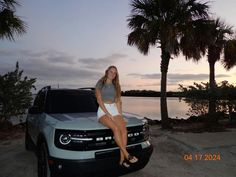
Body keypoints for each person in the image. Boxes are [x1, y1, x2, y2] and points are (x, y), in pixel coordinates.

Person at [95, 65, 138, 168]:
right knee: (115, 128)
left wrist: (120, 116)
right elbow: (99, 100)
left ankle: (122, 160)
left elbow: (118, 102)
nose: (113, 74)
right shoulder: (100, 83)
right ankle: (127, 154)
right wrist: (107, 113)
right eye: (111, 72)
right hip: (103, 109)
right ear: (107, 72)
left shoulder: (117, 85)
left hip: (114, 109)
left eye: (115, 73)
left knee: (124, 130)